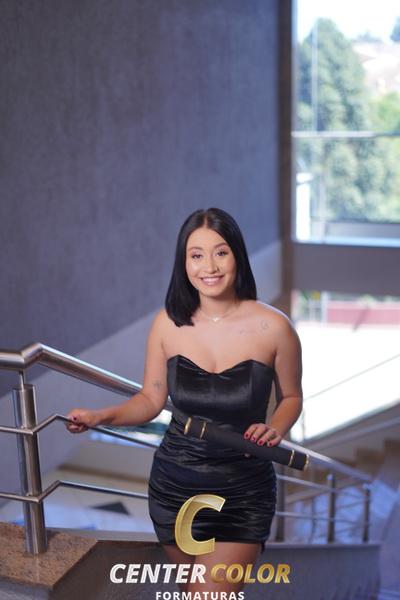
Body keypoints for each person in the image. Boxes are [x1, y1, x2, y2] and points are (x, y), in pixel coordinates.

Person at [66, 207, 303, 595]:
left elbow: (291, 396)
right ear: (184, 262)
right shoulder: (167, 323)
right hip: (175, 485)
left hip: (243, 490)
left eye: (220, 252)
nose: (209, 266)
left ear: (237, 256)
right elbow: (150, 399)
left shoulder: (274, 327)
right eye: (196, 255)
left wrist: (275, 428)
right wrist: (100, 416)